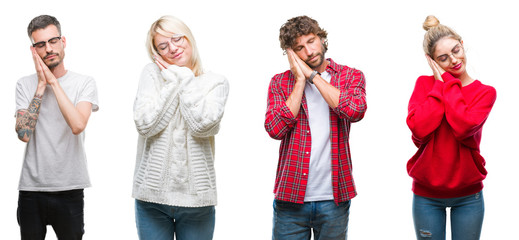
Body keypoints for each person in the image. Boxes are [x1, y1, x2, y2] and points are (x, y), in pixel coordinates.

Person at [264, 15, 367, 240]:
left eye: (312, 41)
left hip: (334, 199)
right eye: (299, 48)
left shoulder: (350, 76)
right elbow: (275, 129)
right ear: (291, 54)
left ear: (321, 38)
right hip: (290, 198)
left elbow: (354, 111)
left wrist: (313, 77)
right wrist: (300, 81)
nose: (309, 51)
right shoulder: (280, 83)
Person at [132, 15, 229, 240]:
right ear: (157, 54)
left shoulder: (217, 82)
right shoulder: (151, 74)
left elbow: (204, 126)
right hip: (151, 199)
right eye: (163, 46)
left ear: (188, 37)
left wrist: (184, 78)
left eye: (177, 38)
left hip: (197, 200)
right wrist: (172, 81)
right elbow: (145, 126)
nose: (173, 48)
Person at [406, 15, 496, 240]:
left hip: (468, 196)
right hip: (426, 196)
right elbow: (419, 129)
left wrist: (448, 82)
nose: (454, 60)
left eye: (456, 50)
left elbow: (463, 127)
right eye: (443, 58)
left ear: (462, 45)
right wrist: (439, 83)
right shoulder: (425, 85)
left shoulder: (485, 92)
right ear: (432, 61)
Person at [14, 15, 99, 239]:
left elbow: (78, 124)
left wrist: (53, 81)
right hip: (32, 190)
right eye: (41, 44)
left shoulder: (84, 82)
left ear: (63, 41)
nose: (48, 48)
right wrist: (42, 85)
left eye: (53, 41)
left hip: (70, 188)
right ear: (33, 50)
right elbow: (23, 134)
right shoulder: (25, 84)